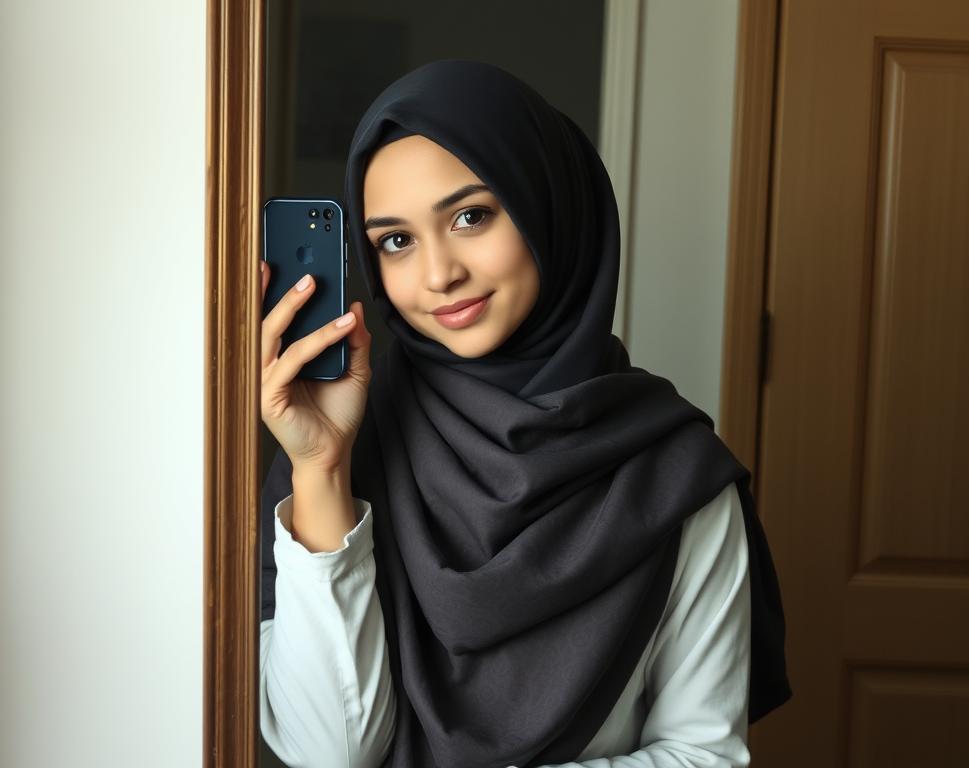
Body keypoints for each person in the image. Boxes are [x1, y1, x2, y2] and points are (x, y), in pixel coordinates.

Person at [258, 59, 791, 768]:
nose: (438, 273)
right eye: (396, 240)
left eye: (471, 216)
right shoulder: (346, 449)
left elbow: (704, 756)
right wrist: (321, 470)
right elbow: (328, 756)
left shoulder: (673, 472)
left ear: (548, 206)